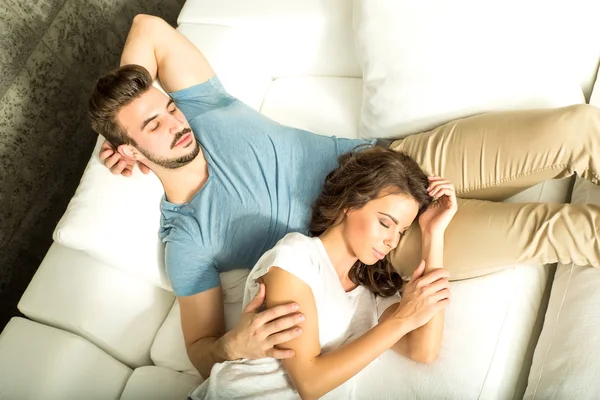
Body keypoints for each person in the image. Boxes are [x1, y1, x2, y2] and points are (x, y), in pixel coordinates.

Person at [89, 14, 600, 379]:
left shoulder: (203, 109)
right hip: (393, 240)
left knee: (580, 128)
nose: (176, 124)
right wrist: (230, 346)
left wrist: (132, 96)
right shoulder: (186, 236)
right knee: (562, 229)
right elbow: (199, 348)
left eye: (168, 108)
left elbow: (147, 28)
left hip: (404, 159)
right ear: (128, 149)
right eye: (153, 126)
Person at [189, 146, 456, 400]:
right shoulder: (296, 257)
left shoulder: (370, 295)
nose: (392, 242)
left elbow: (424, 350)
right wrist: (401, 320)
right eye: (386, 223)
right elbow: (309, 384)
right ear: (351, 203)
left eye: (402, 232)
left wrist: (433, 234)